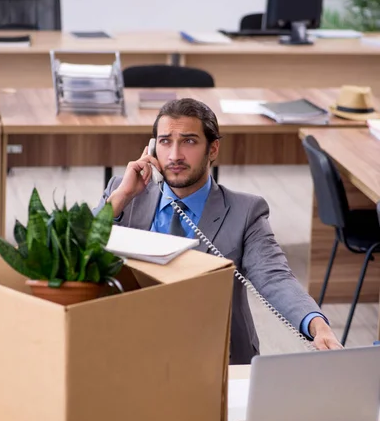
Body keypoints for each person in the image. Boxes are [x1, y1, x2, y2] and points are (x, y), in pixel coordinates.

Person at [94, 98, 342, 363]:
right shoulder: (123, 193)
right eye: (165, 141)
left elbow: (274, 277)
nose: (175, 155)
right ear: (153, 148)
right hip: (134, 346)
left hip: (214, 354)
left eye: (189, 141)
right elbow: (75, 251)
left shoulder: (245, 211)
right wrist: (119, 200)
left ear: (213, 149)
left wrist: (317, 324)